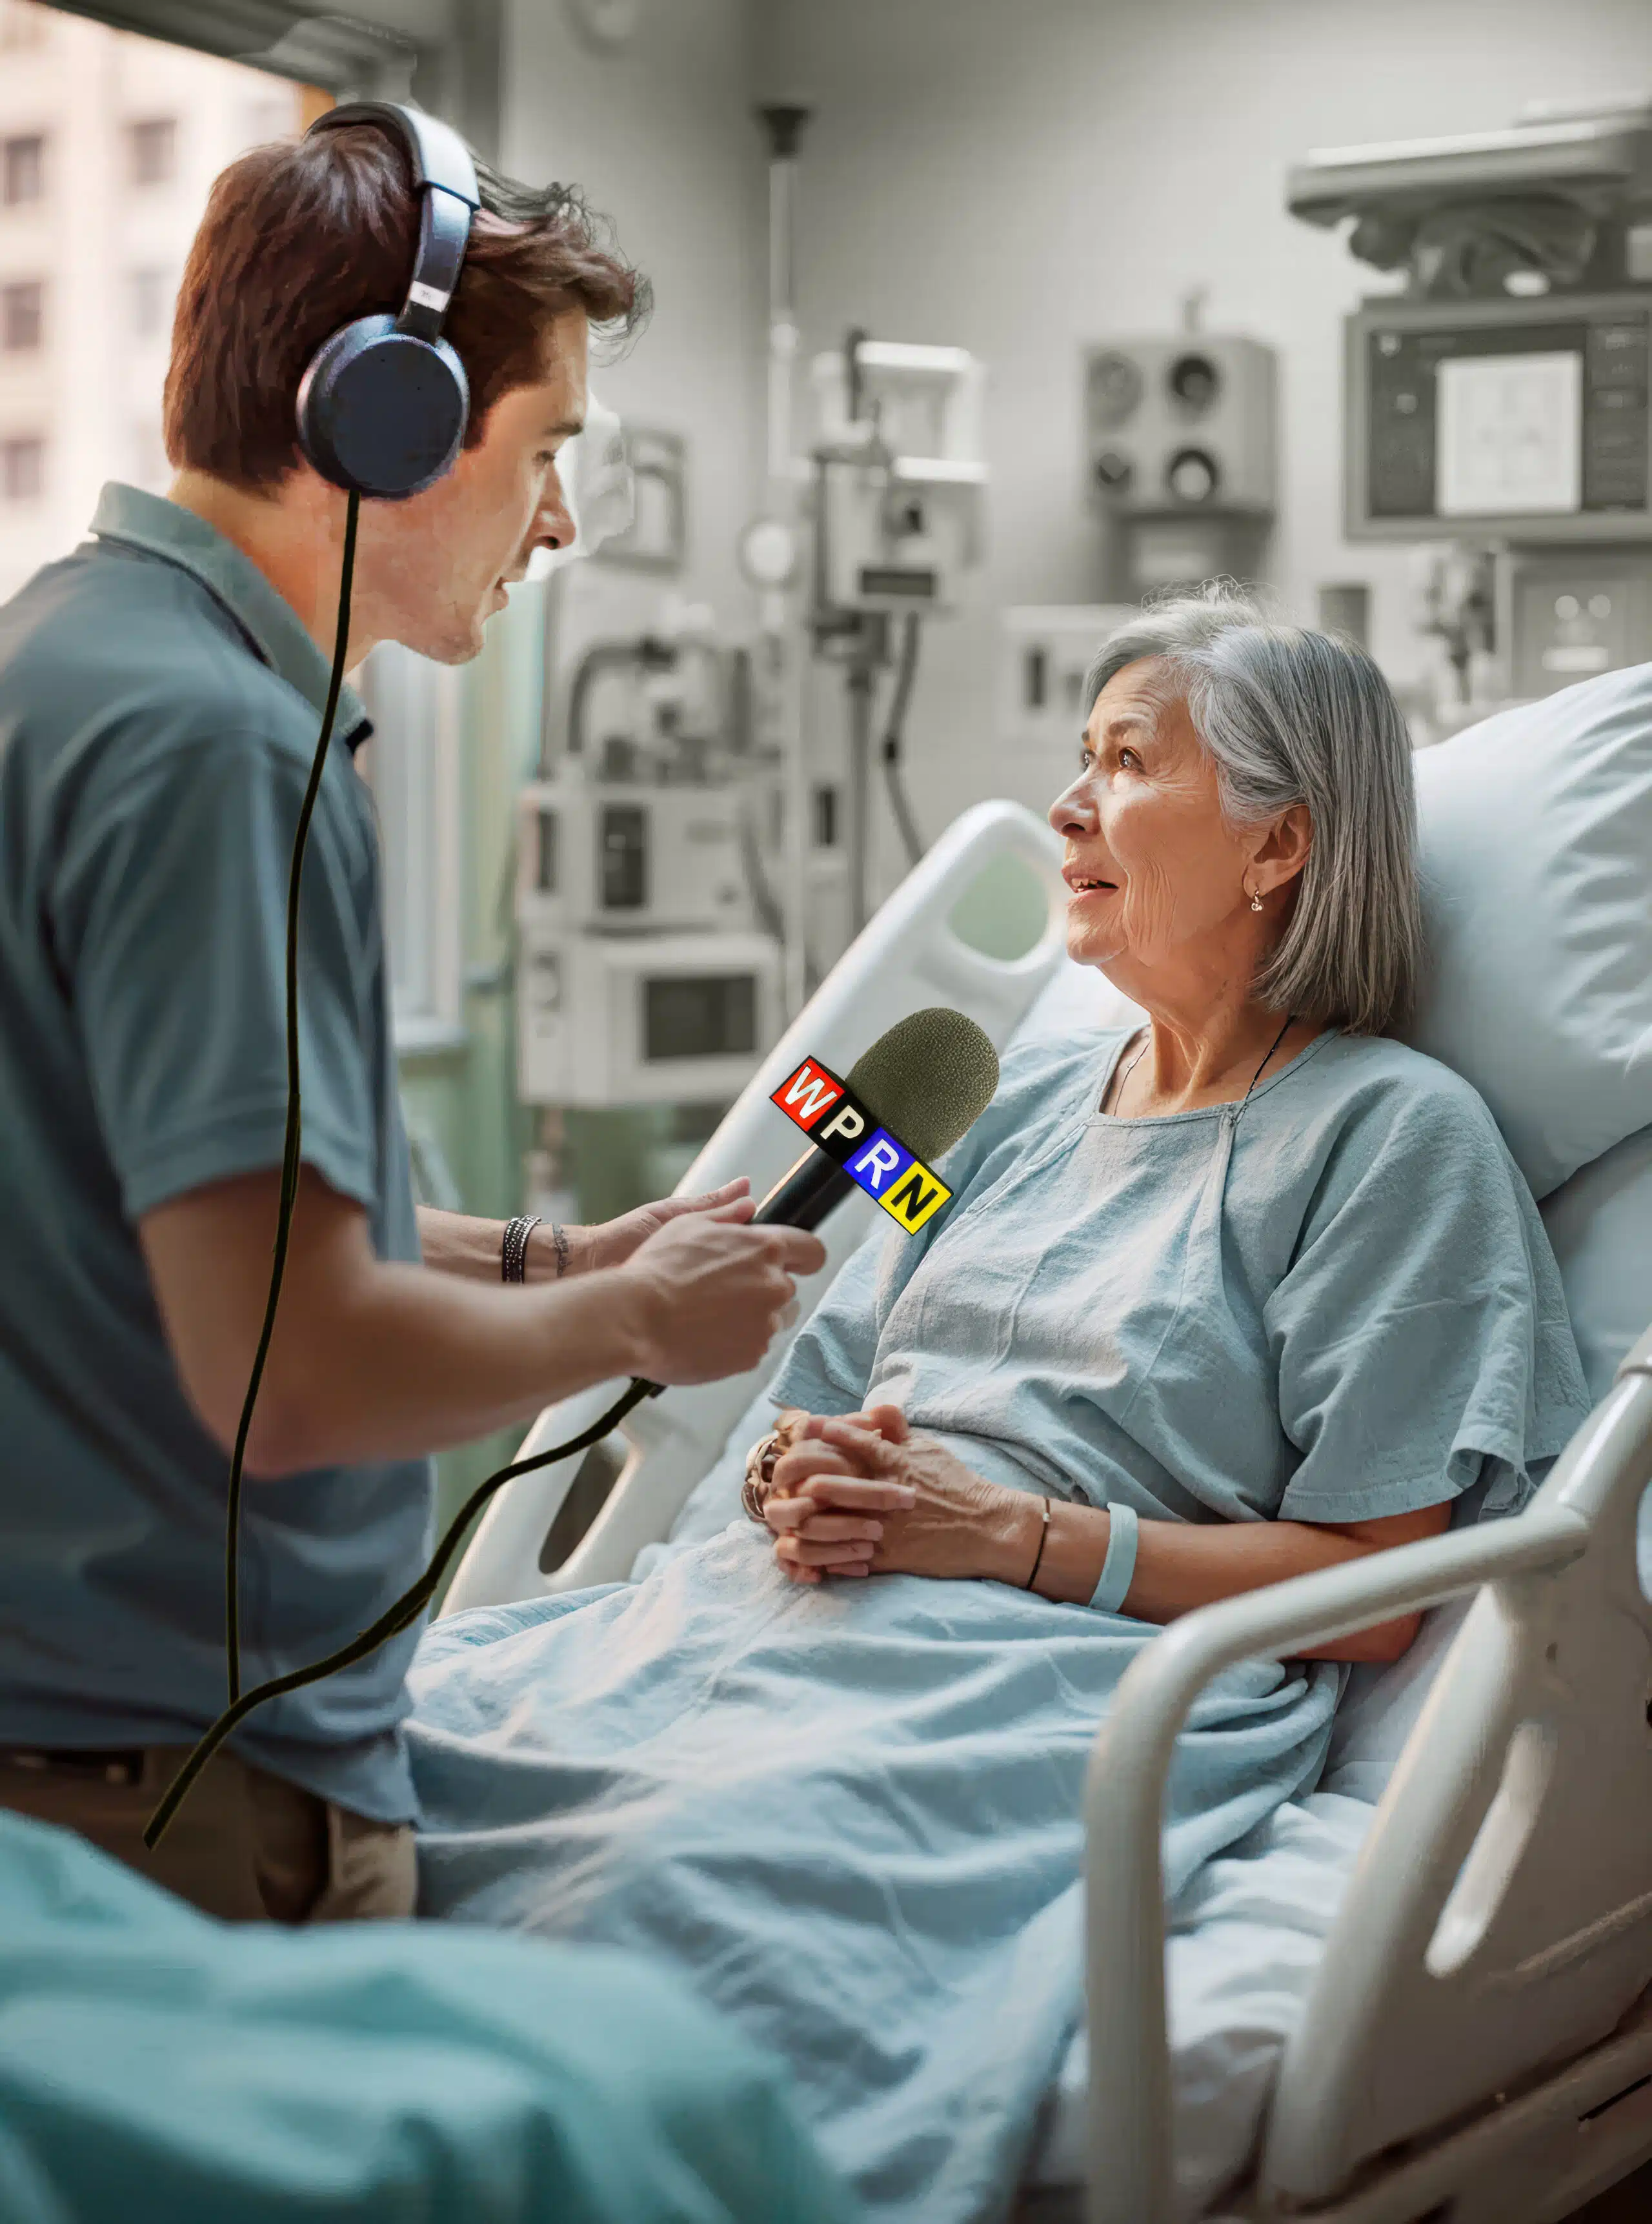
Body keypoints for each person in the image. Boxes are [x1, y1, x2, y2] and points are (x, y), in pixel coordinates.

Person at [405, 592, 1591, 2219]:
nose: (1065, 803)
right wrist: (787, 1475)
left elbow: (1374, 1583)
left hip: (1044, 1673)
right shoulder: (1005, 1102)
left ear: (1276, 847)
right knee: (396, 1755)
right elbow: (813, 1375)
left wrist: (1013, 1537)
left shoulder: (1394, 1139)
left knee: (671, 1887)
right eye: (1075, 757)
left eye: (1124, 759)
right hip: (779, 1609)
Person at [0, 114, 822, 1926]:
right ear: (380, 422)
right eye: (544, 452)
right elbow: (289, 1374)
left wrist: (550, 1254)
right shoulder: (212, 752)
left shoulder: (72, 655)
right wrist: (635, 1319)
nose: (562, 518)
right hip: (187, 1791)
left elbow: (186, 1216)